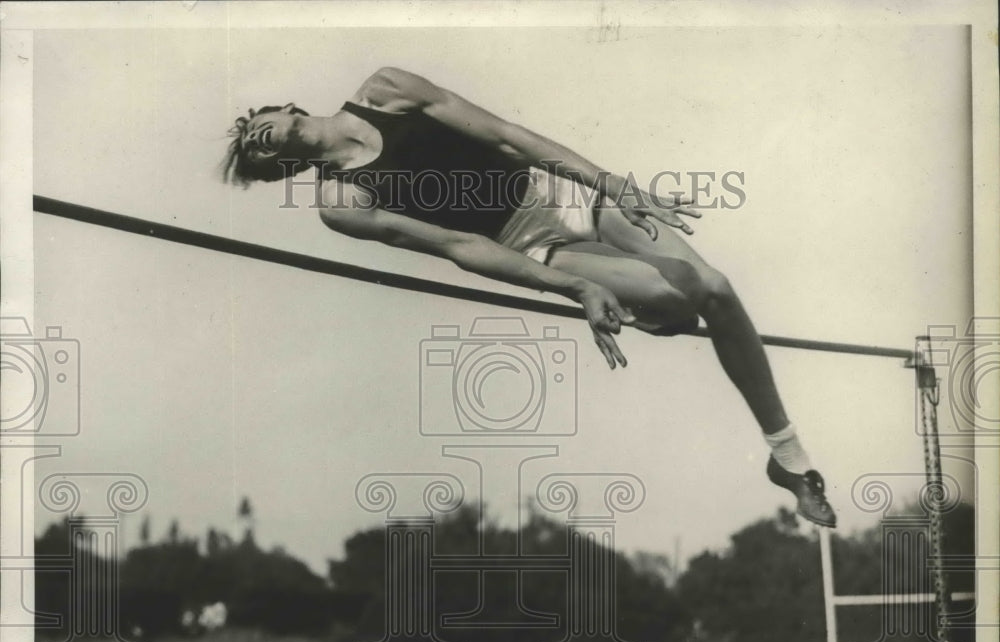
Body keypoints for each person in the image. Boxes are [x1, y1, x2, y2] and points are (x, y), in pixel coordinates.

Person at [222, 67, 835, 527]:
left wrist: (615, 186)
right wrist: (576, 285)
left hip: (562, 192)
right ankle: (646, 299)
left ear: (285, 107)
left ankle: (788, 458)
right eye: (254, 146)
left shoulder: (385, 90)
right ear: (277, 166)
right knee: (682, 296)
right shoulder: (341, 204)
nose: (258, 136)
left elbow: (510, 136)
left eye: (255, 124)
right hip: (531, 240)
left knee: (717, 290)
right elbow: (459, 244)